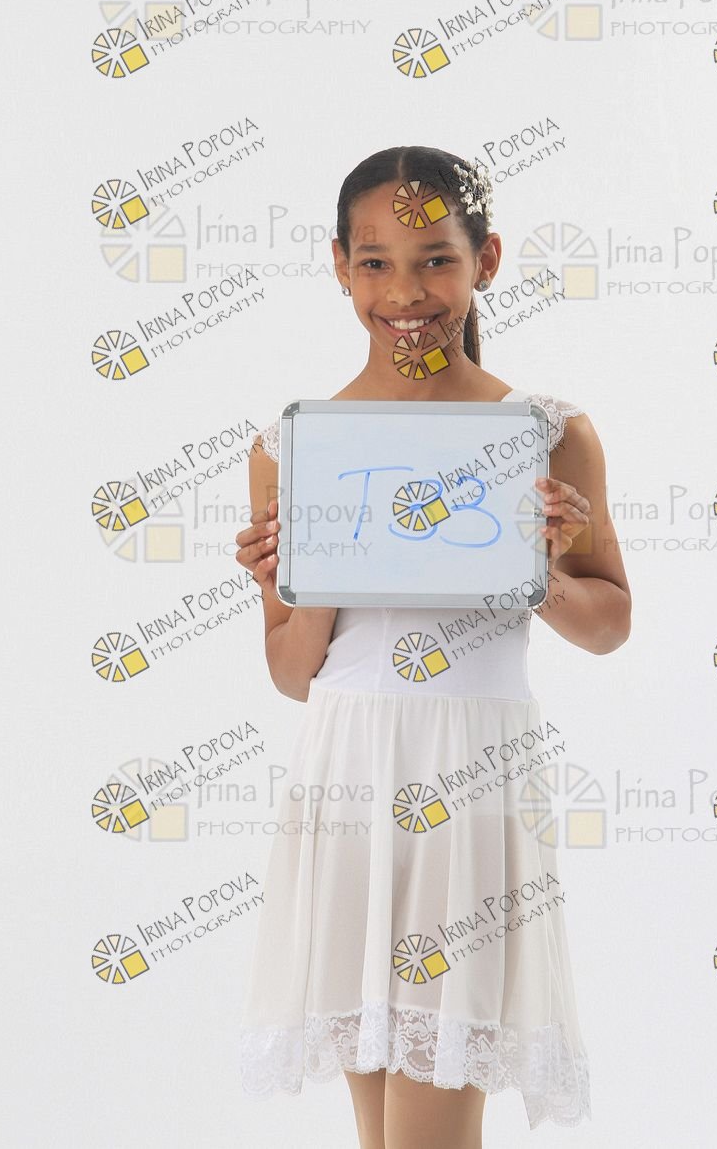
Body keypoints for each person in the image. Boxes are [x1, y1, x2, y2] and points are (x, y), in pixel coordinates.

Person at [235, 145, 632, 1149]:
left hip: (470, 774)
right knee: (381, 1128)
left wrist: (541, 566)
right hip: (347, 774)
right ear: (339, 266)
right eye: (375, 263)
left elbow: (610, 623)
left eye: (435, 260)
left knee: (431, 1114)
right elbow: (292, 675)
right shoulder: (295, 445)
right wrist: (304, 571)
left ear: (485, 259)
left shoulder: (546, 431)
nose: (405, 293)